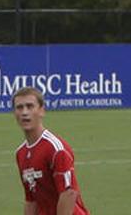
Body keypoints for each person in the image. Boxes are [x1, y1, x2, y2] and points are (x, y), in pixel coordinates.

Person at [12, 87, 90, 215]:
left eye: (30, 106)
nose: (24, 112)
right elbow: (31, 199)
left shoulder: (55, 149)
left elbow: (68, 193)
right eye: (19, 107)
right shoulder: (20, 153)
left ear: (42, 110)